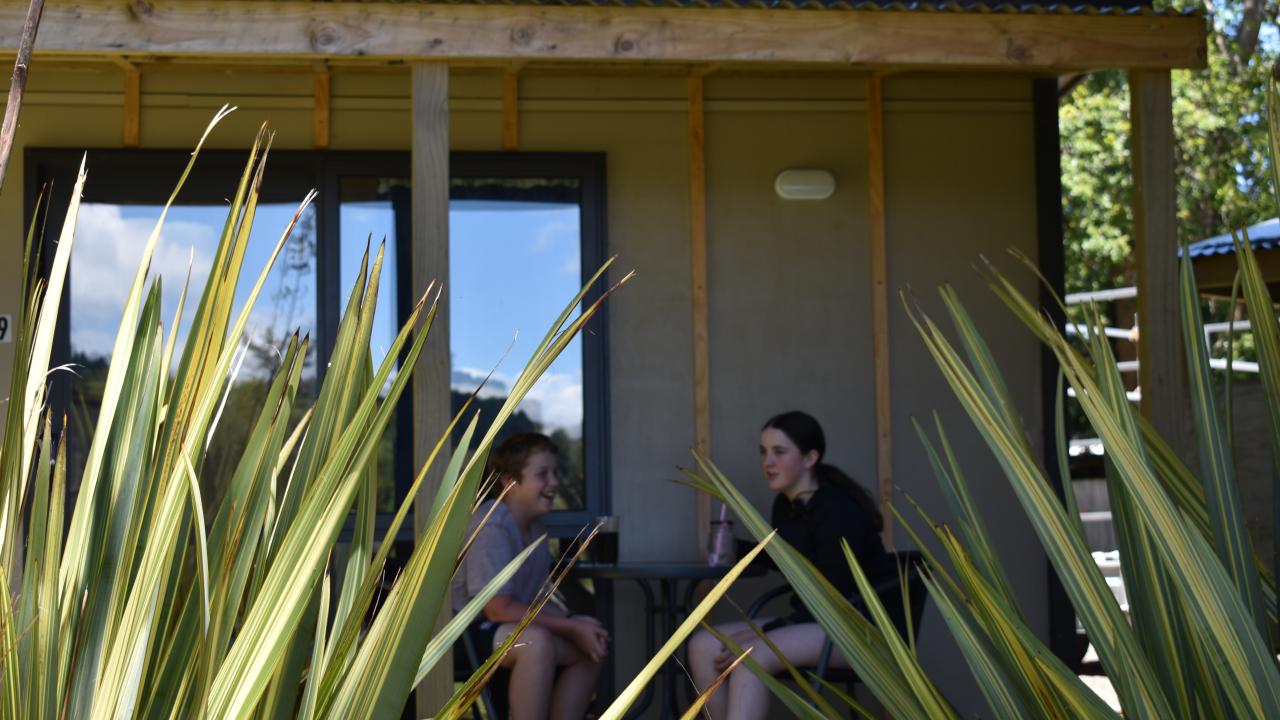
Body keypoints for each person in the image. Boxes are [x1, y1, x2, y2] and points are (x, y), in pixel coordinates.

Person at [687, 411, 895, 720]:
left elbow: (833, 594)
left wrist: (765, 632)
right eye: (763, 452)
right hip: (814, 622)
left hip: (856, 627)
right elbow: (790, 557)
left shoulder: (837, 510)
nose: (767, 462)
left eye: (779, 452)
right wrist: (736, 548)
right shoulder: (786, 505)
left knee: (749, 657)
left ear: (810, 458)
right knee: (703, 645)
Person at [451, 432, 609, 720]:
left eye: (555, 472)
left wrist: (575, 623)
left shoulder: (536, 530)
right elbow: (497, 608)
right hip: (461, 633)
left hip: (505, 628)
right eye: (542, 474)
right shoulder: (492, 527)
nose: (554, 483)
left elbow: (534, 601)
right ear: (509, 482)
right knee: (536, 643)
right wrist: (568, 627)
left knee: (590, 643)